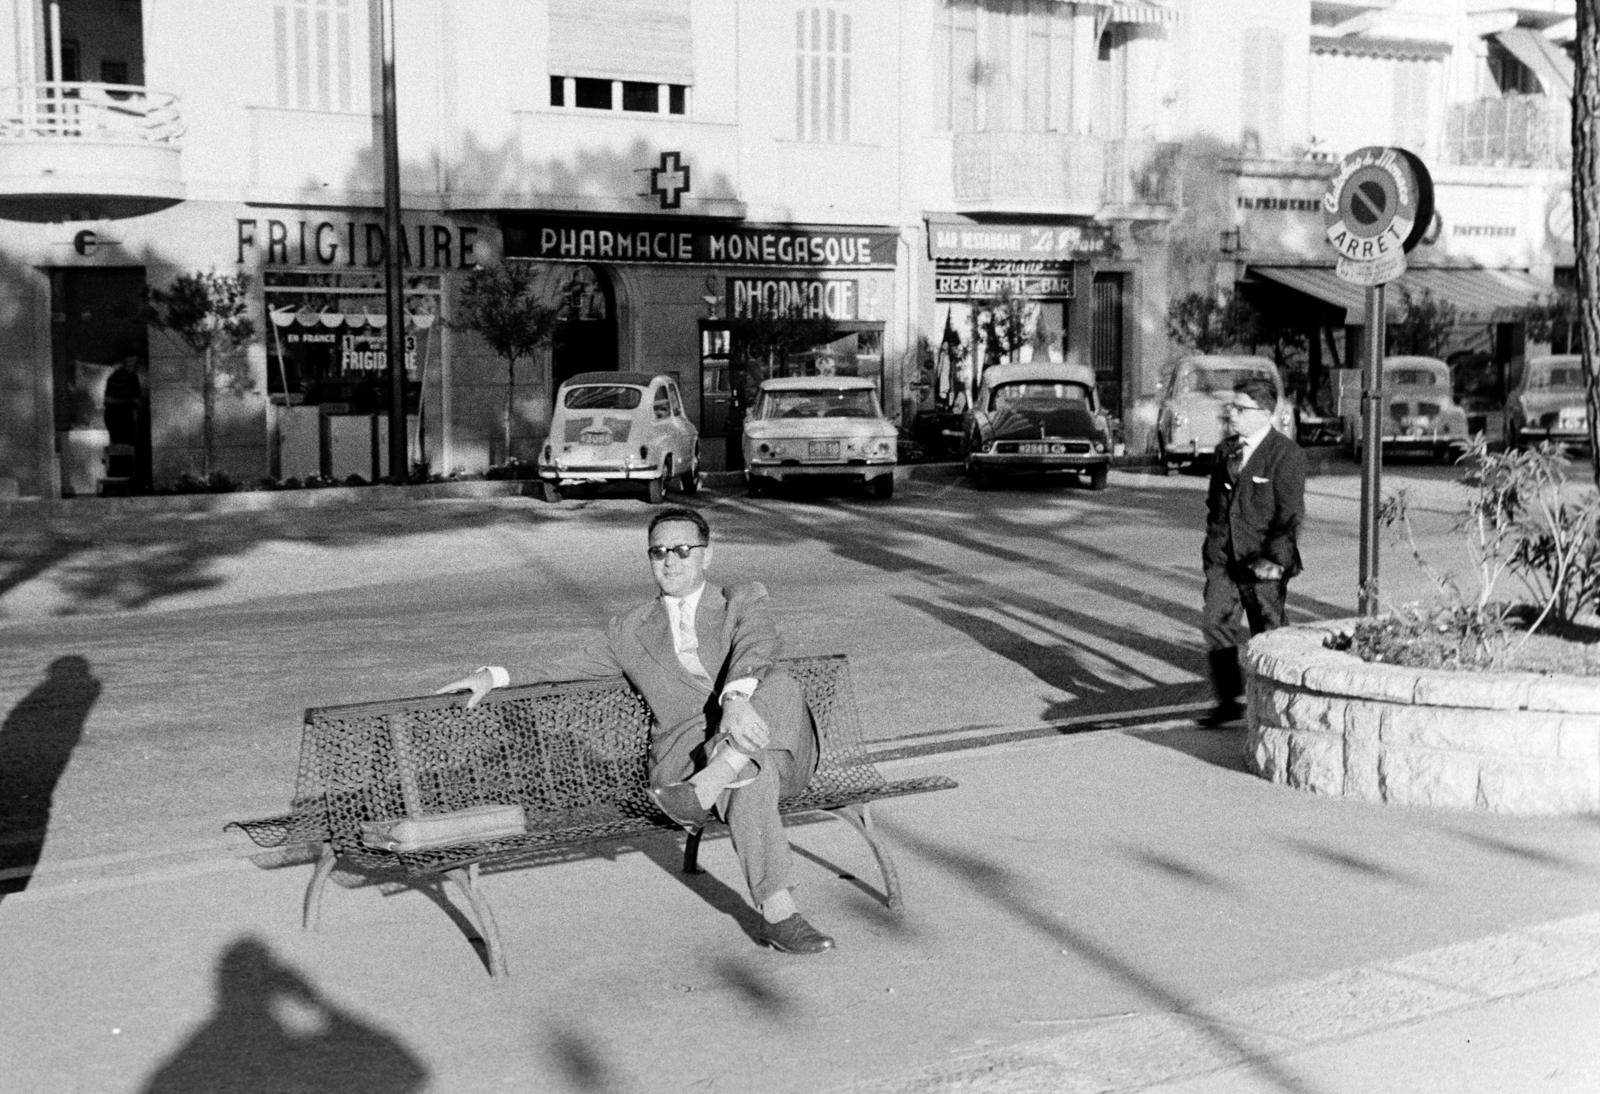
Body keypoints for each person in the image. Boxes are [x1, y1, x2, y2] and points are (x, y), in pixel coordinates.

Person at [434, 506, 833, 955]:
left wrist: (736, 703)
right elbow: (561, 666)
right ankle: (780, 916)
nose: (670, 561)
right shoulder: (630, 630)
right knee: (751, 777)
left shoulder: (742, 599)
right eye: (658, 552)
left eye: (683, 550)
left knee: (777, 684)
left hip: (775, 751)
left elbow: (759, 644)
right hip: (688, 761)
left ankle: (718, 775)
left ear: (707, 554)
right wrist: (492, 675)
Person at [1199, 377, 1307, 728]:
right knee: (1215, 621)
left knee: (1270, 633)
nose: (1231, 414)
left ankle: (1280, 704)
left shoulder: (1285, 454)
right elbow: (1216, 508)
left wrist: (1272, 562)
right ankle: (1229, 702)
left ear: (1264, 414)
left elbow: (1289, 516)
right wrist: (1212, 556)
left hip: (1264, 563)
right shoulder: (1225, 451)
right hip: (1225, 561)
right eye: (1231, 407)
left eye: (1240, 408)